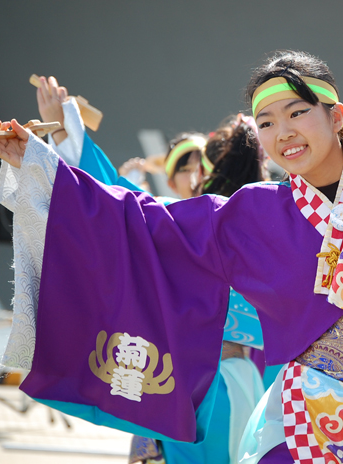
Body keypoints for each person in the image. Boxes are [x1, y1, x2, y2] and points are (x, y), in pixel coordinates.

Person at [0, 1, 343, 461]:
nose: (282, 132)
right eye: (266, 123)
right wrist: (42, 169)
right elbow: (143, 223)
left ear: (337, 117)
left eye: (296, 112)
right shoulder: (253, 213)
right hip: (307, 419)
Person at [34, 78, 267, 463]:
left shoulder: (192, 229)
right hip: (247, 382)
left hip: (201, 385)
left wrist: (65, 134)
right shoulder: (262, 225)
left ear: (200, 175)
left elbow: (119, 206)